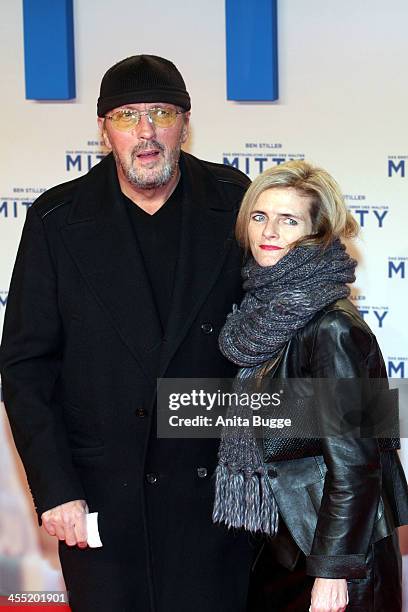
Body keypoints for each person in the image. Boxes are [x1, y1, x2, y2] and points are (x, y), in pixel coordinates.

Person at [0, 55, 255, 612]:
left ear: (185, 123)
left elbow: (280, 339)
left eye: (161, 113)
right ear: (103, 130)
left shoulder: (239, 203)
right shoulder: (56, 219)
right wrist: (56, 487)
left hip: (219, 496)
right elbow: (25, 367)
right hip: (101, 498)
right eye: (125, 116)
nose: (145, 131)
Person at [212, 160, 408, 611]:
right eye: (260, 216)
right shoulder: (259, 314)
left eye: (289, 220)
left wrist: (333, 570)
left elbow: (357, 463)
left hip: (337, 556)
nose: (270, 230)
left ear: (316, 232)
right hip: (286, 548)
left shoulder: (333, 327)